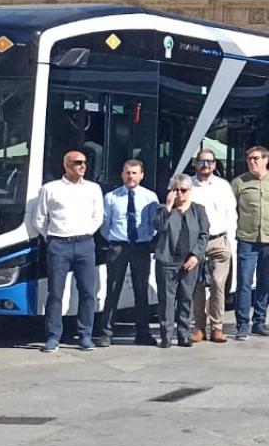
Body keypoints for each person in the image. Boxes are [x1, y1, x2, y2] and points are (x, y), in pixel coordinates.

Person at [27, 150, 105, 352]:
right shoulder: (50, 189)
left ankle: (85, 335)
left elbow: (98, 217)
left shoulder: (93, 189)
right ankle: (53, 336)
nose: (82, 166)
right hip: (58, 245)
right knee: (55, 292)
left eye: (84, 163)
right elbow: (39, 219)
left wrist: (86, 232)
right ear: (66, 165)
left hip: (85, 243)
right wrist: (52, 237)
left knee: (88, 291)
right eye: (77, 162)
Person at [98, 159, 159, 346]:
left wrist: (146, 239)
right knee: (113, 289)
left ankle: (142, 333)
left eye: (134, 173)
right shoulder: (111, 197)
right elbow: (104, 225)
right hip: (118, 246)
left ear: (141, 175)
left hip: (140, 247)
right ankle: (106, 333)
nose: (130, 176)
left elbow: (153, 224)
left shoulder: (150, 197)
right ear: (122, 174)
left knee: (141, 290)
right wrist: (114, 240)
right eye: (127, 172)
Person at [231, 146, 269, 340]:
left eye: (256, 158)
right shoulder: (239, 182)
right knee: (244, 282)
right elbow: (232, 208)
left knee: (265, 281)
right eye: (249, 158)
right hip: (247, 239)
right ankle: (242, 325)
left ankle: (260, 322)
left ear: (266, 159)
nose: (252, 162)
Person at [187, 149, 237, 345]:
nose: (205, 165)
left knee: (218, 283)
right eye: (201, 161)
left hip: (219, 240)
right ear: (195, 164)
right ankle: (199, 327)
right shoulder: (187, 185)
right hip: (196, 242)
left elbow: (231, 214)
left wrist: (231, 241)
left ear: (215, 165)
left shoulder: (223, 186)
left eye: (209, 161)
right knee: (197, 286)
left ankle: (217, 327)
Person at [153, 174, 207, 348]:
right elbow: (158, 226)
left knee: (186, 299)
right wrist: (168, 206)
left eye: (183, 190)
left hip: (189, 262)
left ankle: (184, 334)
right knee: (166, 300)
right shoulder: (163, 209)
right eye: (175, 190)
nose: (179, 194)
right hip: (167, 261)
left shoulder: (198, 210)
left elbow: (204, 235)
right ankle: (166, 336)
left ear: (189, 191)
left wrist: (196, 256)